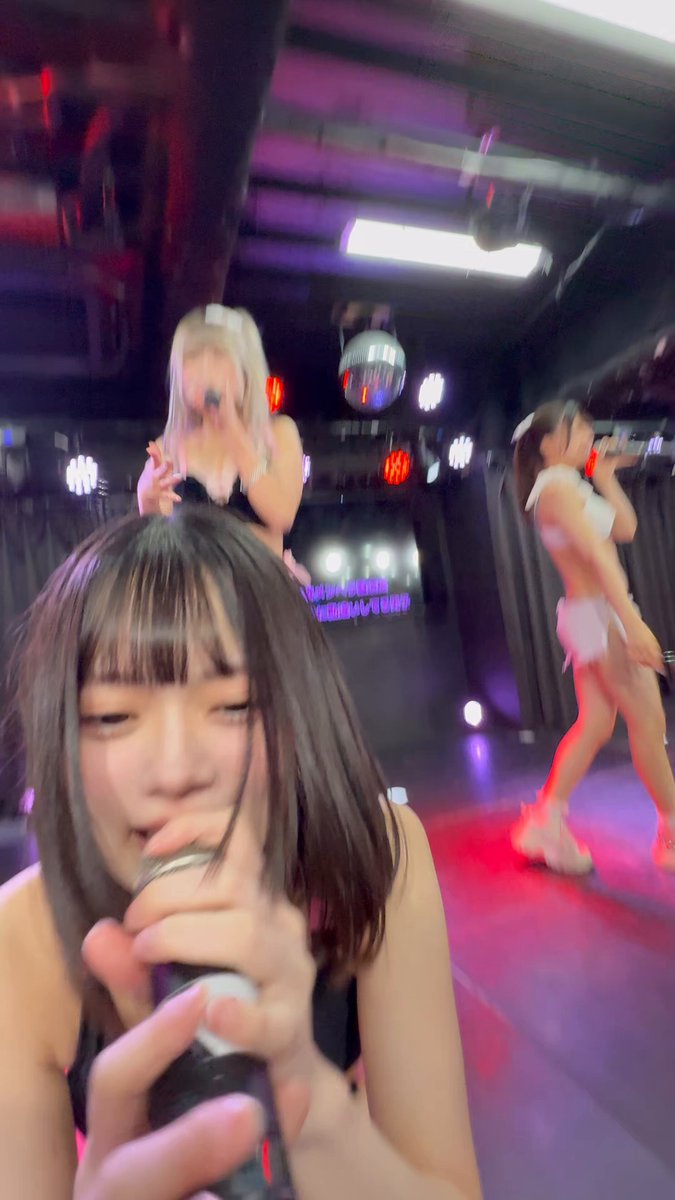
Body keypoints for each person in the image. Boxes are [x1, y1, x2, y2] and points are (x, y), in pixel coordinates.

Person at [0, 505, 482, 1200]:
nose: (175, 770)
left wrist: (307, 1103)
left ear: (299, 715)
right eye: (112, 716)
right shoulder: (21, 936)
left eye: (234, 705)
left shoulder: (378, 857)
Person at [509, 399, 675, 874]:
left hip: (589, 617)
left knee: (596, 723)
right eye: (578, 430)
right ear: (548, 444)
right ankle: (671, 836)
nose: (589, 437)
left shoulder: (564, 486)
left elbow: (625, 529)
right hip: (601, 617)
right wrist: (632, 623)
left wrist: (605, 477)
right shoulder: (557, 489)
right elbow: (601, 560)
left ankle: (546, 820)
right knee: (649, 723)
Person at [137, 304, 304, 561]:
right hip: (193, 584)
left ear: (246, 368)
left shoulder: (278, 434)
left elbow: (282, 516)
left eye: (217, 356)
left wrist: (232, 430)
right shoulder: (169, 447)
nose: (204, 371)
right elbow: (160, 546)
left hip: (258, 583)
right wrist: (147, 500)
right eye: (193, 358)